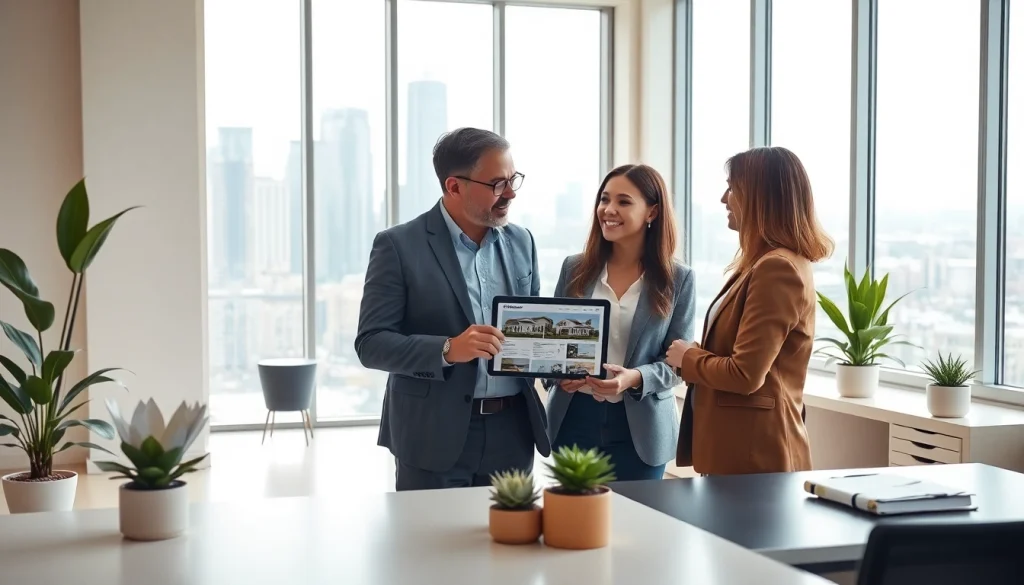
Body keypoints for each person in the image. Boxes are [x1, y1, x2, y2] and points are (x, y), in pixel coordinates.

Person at [355, 127, 550, 491]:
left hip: (513, 433)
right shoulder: (398, 245)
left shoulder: (522, 241)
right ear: (454, 186)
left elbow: (532, 334)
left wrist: (563, 368)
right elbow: (371, 344)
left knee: (508, 529)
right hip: (432, 434)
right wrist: (448, 349)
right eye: (497, 184)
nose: (510, 193)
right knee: (432, 531)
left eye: (513, 180)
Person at [666, 146, 833, 476]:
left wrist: (689, 359)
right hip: (742, 452)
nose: (723, 199)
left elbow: (745, 375)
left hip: (755, 456)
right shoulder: (764, 264)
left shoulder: (777, 269)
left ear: (760, 197)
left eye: (732, 188)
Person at [545, 164, 696, 481]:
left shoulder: (678, 279)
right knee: (575, 512)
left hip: (641, 429)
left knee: (636, 513)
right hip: (574, 419)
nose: (608, 210)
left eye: (623, 201)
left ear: (652, 211)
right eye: (604, 199)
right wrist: (558, 375)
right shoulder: (574, 269)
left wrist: (634, 378)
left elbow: (678, 364)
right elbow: (552, 345)